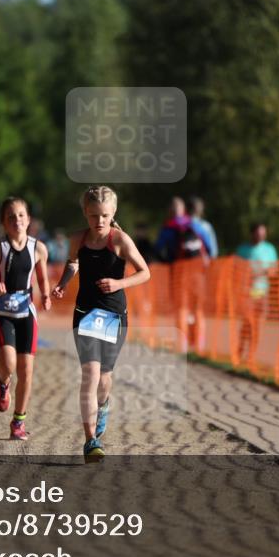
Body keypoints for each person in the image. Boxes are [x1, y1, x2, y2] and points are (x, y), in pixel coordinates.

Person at [52, 186, 151, 463]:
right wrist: (62, 284)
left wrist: (119, 283)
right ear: (85, 213)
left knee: (104, 380)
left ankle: (104, 405)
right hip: (85, 313)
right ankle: (90, 440)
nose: (99, 221)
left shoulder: (120, 241)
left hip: (113, 317)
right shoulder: (78, 240)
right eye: (94, 215)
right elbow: (73, 264)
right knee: (90, 375)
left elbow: (145, 272)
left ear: (113, 213)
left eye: (105, 215)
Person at [0, 197, 51, 441]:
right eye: (11, 216)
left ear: (28, 220)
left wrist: (46, 296)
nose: (17, 220)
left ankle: (18, 422)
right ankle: (1, 380)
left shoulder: (38, 248)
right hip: (3, 312)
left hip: (27, 312)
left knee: (27, 370)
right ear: (3, 223)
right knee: (9, 364)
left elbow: (42, 277)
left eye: (21, 215)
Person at [154, 196, 209, 352]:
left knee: (181, 308)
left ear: (169, 211)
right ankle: (200, 345)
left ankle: (183, 344)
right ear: (183, 210)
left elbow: (158, 249)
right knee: (198, 309)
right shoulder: (195, 225)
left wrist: (168, 261)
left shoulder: (168, 228)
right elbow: (209, 248)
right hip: (198, 273)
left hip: (179, 273)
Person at [235, 223, 278, 364]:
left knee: (257, 324)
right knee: (247, 322)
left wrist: (263, 272)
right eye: (258, 233)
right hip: (246, 291)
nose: (260, 236)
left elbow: (274, 269)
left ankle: (251, 355)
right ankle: (240, 349)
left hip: (261, 291)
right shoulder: (242, 249)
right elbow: (234, 267)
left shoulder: (269, 249)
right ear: (252, 234)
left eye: (263, 233)